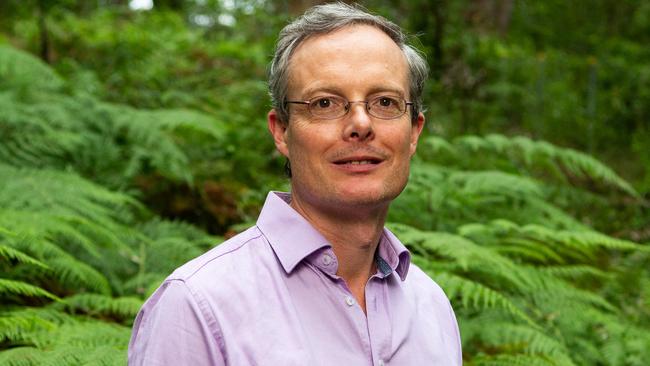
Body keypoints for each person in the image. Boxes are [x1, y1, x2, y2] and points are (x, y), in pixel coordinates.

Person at [128, 3, 462, 365]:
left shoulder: (431, 308)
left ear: (414, 132)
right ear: (282, 131)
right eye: (324, 103)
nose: (361, 123)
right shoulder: (199, 308)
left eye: (385, 101)